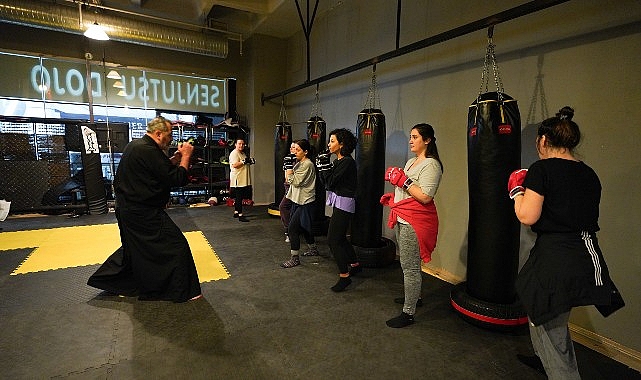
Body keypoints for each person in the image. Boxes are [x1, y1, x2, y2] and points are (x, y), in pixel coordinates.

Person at [510, 106, 623, 379]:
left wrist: (516, 192)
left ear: (543, 140)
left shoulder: (542, 169)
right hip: (586, 255)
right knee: (543, 313)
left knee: (551, 327)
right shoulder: (589, 174)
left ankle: (559, 371)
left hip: (557, 259)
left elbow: (527, 215)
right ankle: (543, 359)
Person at [87, 116, 202, 302]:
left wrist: (176, 158)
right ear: (158, 134)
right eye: (169, 134)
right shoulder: (148, 150)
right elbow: (176, 179)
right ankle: (182, 291)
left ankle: (117, 283)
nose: (171, 139)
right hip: (143, 212)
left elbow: (159, 170)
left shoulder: (138, 146)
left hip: (129, 210)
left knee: (136, 250)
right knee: (176, 245)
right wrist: (186, 156)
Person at [380, 123, 443, 328]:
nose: (411, 140)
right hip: (402, 216)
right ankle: (414, 298)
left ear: (427, 140)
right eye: (410, 136)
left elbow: (425, 196)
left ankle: (408, 313)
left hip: (415, 221)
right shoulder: (411, 162)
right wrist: (395, 197)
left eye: (415, 137)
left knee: (410, 268)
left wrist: (403, 182)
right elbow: (406, 189)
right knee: (407, 265)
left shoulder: (431, 165)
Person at [317, 128, 361, 292]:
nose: (329, 144)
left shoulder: (347, 162)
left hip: (345, 203)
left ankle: (344, 276)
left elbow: (331, 182)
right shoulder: (338, 161)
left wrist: (324, 166)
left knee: (333, 240)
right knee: (340, 238)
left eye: (332, 141)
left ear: (342, 144)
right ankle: (355, 265)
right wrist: (322, 167)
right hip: (339, 201)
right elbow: (326, 183)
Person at [280, 139, 319, 268]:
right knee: (304, 226)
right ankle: (313, 249)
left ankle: (294, 258)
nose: (294, 152)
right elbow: (288, 178)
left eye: (298, 150)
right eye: (294, 149)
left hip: (305, 201)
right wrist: (288, 167)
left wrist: (288, 168)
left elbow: (294, 181)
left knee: (292, 229)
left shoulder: (307, 164)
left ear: (305, 152)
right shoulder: (298, 163)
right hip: (297, 199)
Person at [229, 138, 254, 222]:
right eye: (239, 144)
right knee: (239, 197)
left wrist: (249, 161)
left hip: (243, 179)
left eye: (243, 144)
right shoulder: (234, 153)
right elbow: (234, 165)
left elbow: (244, 162)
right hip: (238, 179)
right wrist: (244, 161)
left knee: (239, 197)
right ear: (235, 144)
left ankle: (236, 212)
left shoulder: (242, 153)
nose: (241, 145)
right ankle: (240, 215)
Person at [279, 143, 297, 242]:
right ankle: (290, 230)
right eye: (291, 147)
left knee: (283, 206)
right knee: (290, 208)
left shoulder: (298, 162)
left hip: (292, 187)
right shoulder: (289, 160)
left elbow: (290, 177)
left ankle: (289, 231)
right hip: (287, 185)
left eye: (294, 148)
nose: (291, 149)